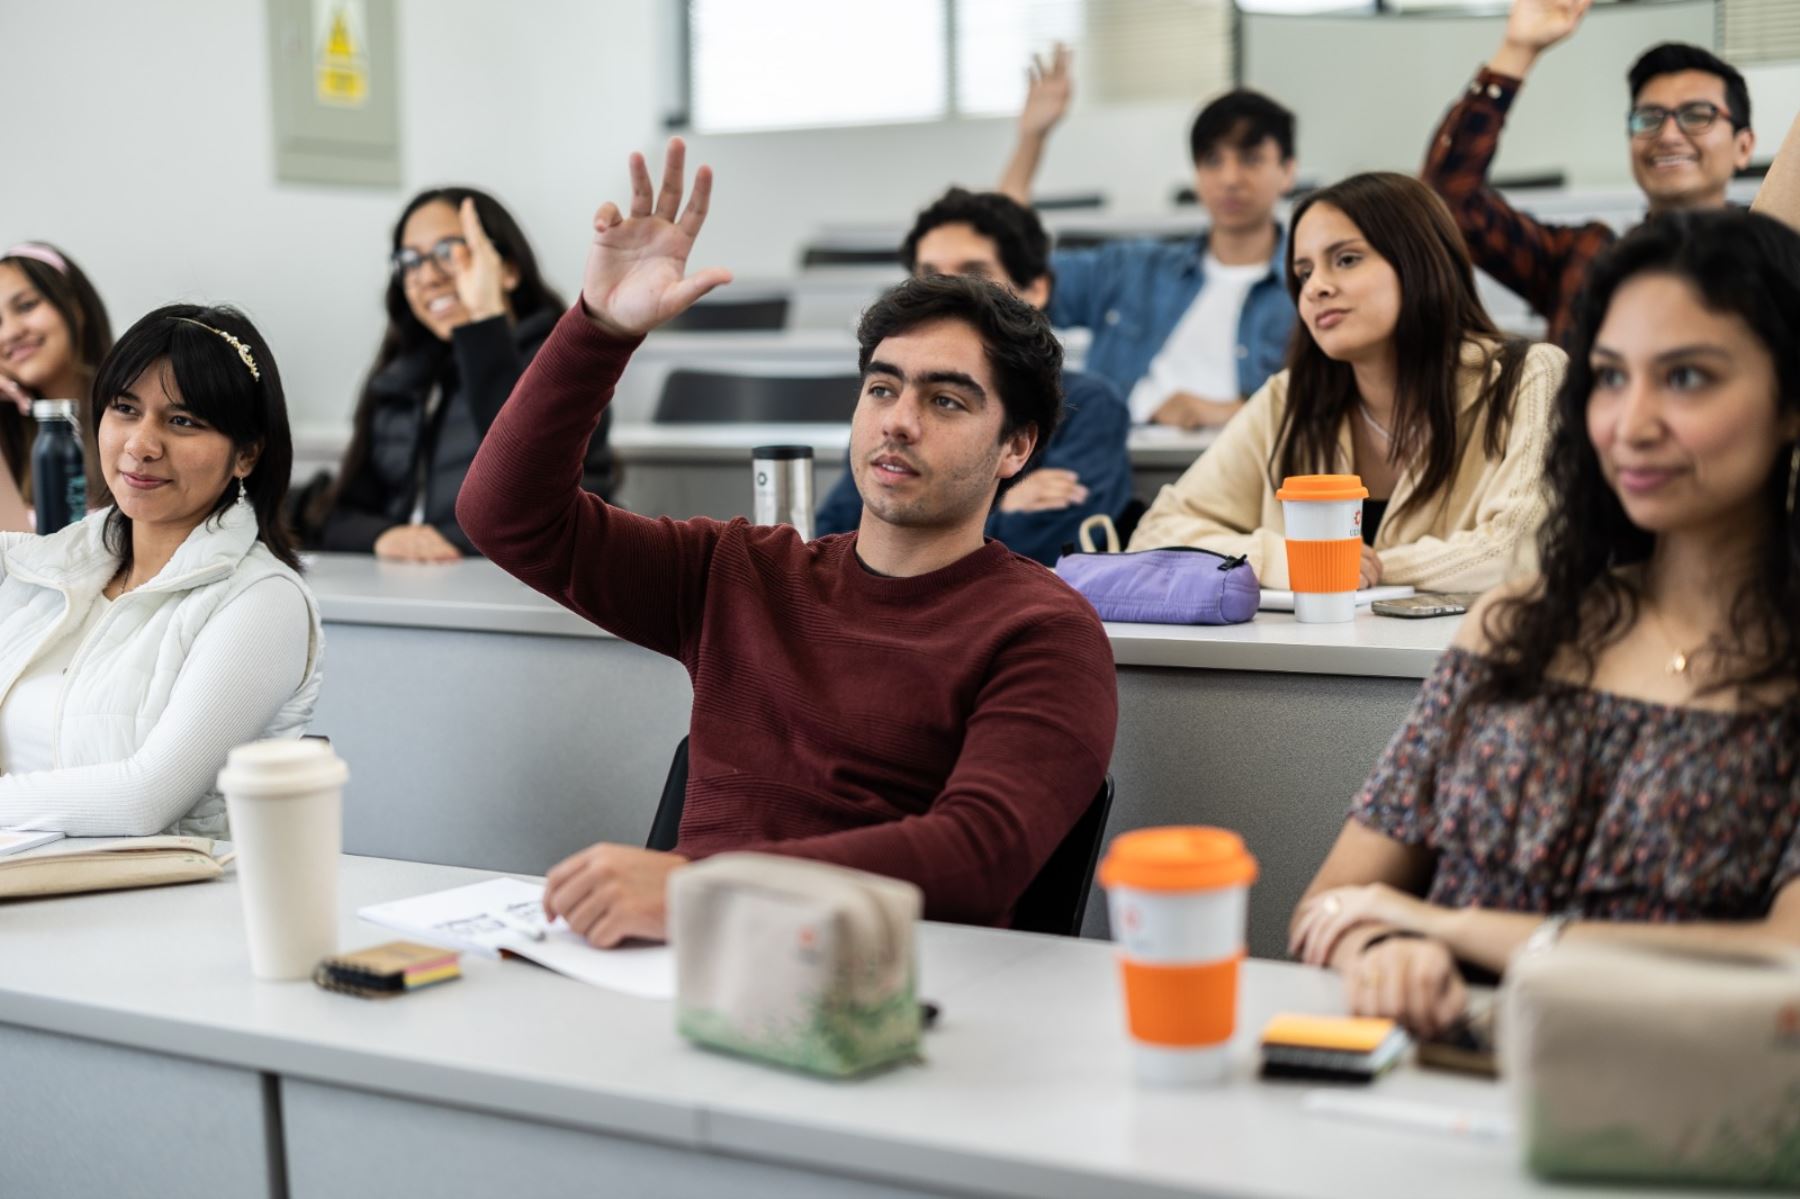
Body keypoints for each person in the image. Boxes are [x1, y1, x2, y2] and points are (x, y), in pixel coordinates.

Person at [458, 141, 1118, 948]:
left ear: (1016, 447)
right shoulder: (741, 572)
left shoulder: (1044, 630)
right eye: (881, 387)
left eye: (946, 401)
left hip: (870, 996)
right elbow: (505, 515)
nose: (898, 420)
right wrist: (598, 331)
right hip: (674, 973)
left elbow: (980, 858)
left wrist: (706, 889)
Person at [1288, 210, 1800, 1037]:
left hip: (1675, 1105)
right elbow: (1335, 901)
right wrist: (1381, 950)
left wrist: (1456, 929)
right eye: (1610, 376)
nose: (1630, 425)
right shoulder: (1517, 626)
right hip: (1445, 1077)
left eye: (1688, 378)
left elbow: (1785, 966)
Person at [1129, 172, 1564, 593]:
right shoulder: (1288, 399)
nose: (1316, 287)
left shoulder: (1530, 378)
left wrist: (1344, 566)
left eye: (1347, 259)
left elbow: (1522, 552)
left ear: (1421, 262)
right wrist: (1283, 560)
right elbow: (1156, 533)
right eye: (1303, 273)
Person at [0, 304, 324, 837]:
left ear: (246, 455)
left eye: (182, 422)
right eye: (125, 409)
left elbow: (143, 798)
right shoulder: (48, 568)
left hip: (164, 909)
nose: (141, 446)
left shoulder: (263, 600)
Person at [815, 187, 1130, 565]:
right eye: (928, 276)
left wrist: (937, 528)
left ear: (1036, 288)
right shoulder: (896, 400)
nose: (948, 295)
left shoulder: (1092, 404)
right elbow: (833, 532)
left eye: (974, 275)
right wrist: (1004, 508)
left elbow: (1058, 545)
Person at [1423, 0, 1754, 344]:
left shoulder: (1772, 258)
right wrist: (1517, 51)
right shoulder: (1586, 259)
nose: (1668, 136)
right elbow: (1449, 203)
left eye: (1698, 115)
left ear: (1744, 147)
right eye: (1650, 118)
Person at [999, 49, 1297, 429]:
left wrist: (1237, 413)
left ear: (1287, 171)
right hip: (1115, 466)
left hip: (1249, 467)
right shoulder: (1134, 269)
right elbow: (1009, 270)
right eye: (1213, 161)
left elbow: (1336, 403)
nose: (1230, 178)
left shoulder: (1309, 285)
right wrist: (1031, 139)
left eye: (1251, 159)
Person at [318, 187, 616, 561]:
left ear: (507, 270)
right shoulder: (403, 376)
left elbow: (531, 500)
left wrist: (483, 322)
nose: (427, 277)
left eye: (448, 253)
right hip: (410, 587)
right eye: (410, 261)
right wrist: (384, 536)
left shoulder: (564, 366)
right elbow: (339, 514)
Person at [0, 242, 114, 511]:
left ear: (75, 306)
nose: (10, 333)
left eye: (26, 306)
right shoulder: (8, 439)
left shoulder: (141, 413)